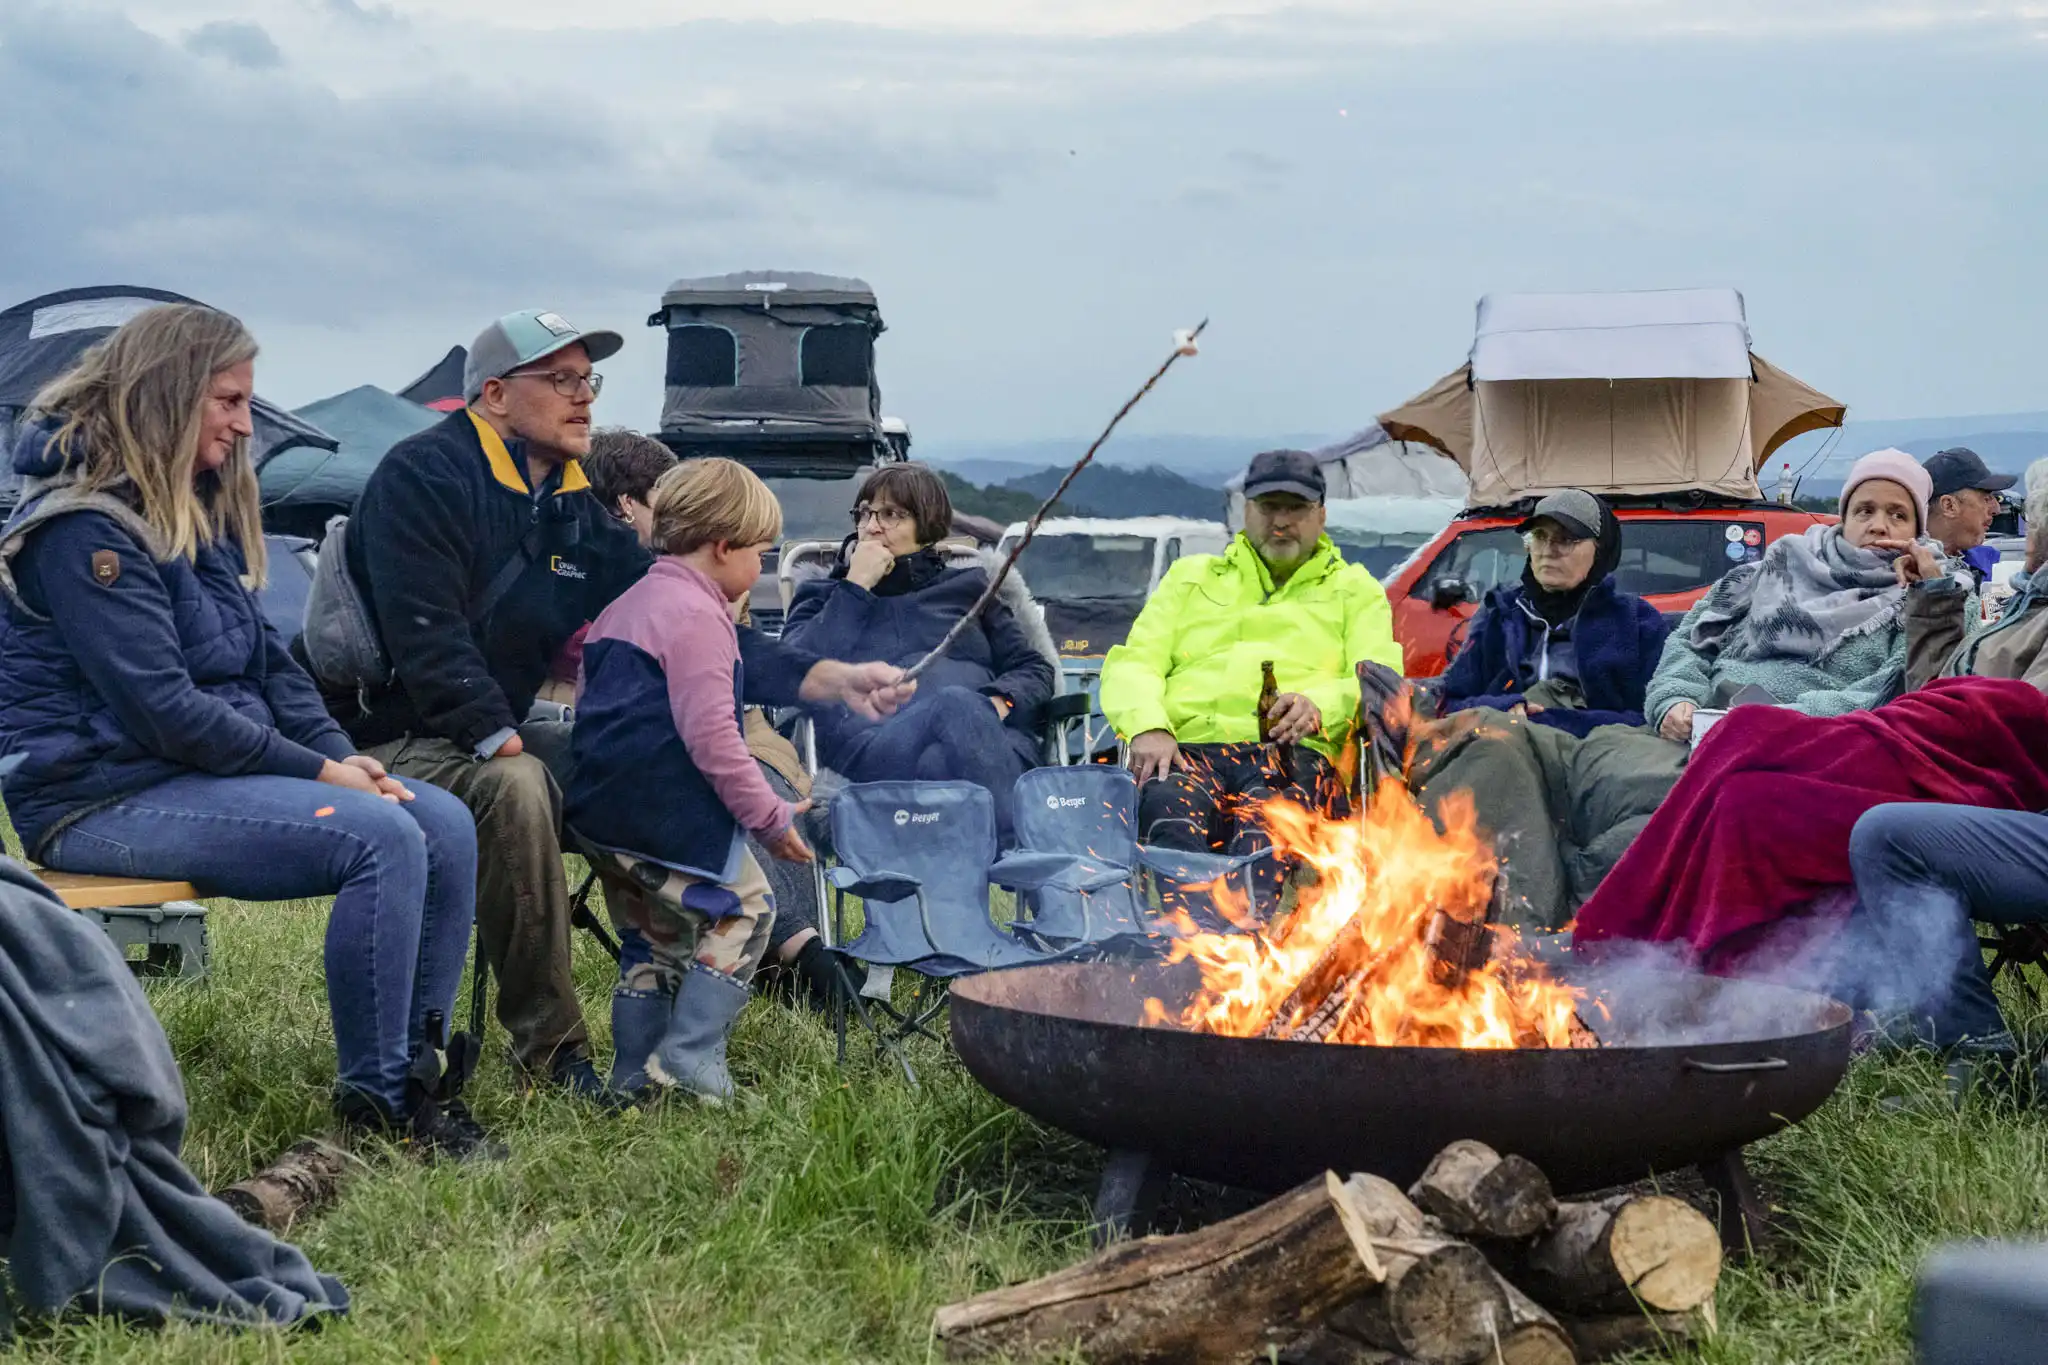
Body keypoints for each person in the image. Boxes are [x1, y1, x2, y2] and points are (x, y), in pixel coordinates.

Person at [329, 310, 909, 1102]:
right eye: (561, 380)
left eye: (587, 380)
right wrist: (497, 734)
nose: (585, 400)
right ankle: (555, 1051)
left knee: (670, 766)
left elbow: (691, 621)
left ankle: (729, 958)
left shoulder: (570, 507)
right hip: (395, 739)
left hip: (497, 730)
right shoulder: (424, 478)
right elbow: (425, 633)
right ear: (495, 395)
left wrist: (829, 677)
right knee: (522, 785)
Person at [0, 304, 494, 1157]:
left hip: (184, 776)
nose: (242, 422)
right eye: (227, 401)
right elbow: (164, 709)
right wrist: (316, 773)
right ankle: (379, 1106)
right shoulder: (83, 533)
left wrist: (344, 755)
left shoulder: (191, 515)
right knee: (379, 837)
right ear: (169, 396)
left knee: (441, 819)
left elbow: (272, 667)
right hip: (98, 795)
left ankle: (421, 1070)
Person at [567, 459, 866, 1100]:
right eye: (761, 553)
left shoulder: (626, 604)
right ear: (723, 546)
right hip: (662, 818)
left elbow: (591, 705)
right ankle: (690, 1058)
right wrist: (770, 817)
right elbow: (716, 743)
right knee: (747, 911)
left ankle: (632, 1080)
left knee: (654, 943)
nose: (760, 569)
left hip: (601, 816)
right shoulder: (699, 618)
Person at [1099, 449, 1402, 917]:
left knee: (1265, 829)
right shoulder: (1190, 578)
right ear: (1246, 512)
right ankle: (1207, 952)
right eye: (1268, 508)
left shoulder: (1356, 590)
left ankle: (1227, 950)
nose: (1280, 522)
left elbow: (1379, 681)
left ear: (1321, 515)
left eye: (1295, 509)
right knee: (1171, 816)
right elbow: (1133, 663)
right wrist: (1146, 726)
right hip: (1185, 749)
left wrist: (1319, 704)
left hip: (1292, 755)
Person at [781, 463, 1057, 843]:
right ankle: (1027, 849)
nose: (872, 526)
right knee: (953, 704)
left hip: (989, 744)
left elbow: (1034, 668)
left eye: (891, 514)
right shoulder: (824, 596)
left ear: (927, 523)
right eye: (865, 513)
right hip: (876, 750)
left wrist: (998, 702)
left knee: (942, 753)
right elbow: (793, 672)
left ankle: (955, 886)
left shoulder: (970, 588)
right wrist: (856, 587)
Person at [1436, 489, 1668, 736]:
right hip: (1506, 744)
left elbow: (1653, 717)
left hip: (1599, 754)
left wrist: (1550, 721)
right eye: (1539, 536)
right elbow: (1449, 701)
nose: (1548, 550)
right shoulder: (1502, 613)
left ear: (1601, 551)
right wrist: (1500, 708)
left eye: (1566, 539)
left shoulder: (1636, 621)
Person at [1923, 445, 2013, 581]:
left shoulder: (1991, 563)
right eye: (1986, 498)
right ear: (1949, 506)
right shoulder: (1903, 578)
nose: (1996, 509)